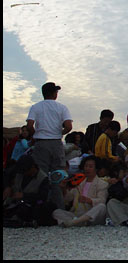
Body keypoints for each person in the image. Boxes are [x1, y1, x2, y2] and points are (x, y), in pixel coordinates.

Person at [26, 82, 72, 210]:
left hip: (41, 143)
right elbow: (68, 126)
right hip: (56, 143)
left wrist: (35, 135)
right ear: (54, 94)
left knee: (41, 176)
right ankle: (59, 209)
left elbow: (29, 125)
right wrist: (59, 133)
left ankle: (41, 208)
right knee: (58, 177)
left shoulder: (35, 107)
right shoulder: (62, 107)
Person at [52, 155, 108, 227]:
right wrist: (64, 188)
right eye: (86, 166)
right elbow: (68, 198)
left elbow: (102, 200)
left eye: (90, 167)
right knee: (56, 212)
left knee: (102, 207)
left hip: (92, 215)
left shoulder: (102, 183)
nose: (87, 169)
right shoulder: (79, 182)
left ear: (96, 169)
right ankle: (77, 222)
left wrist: (88, 200)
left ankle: (74, 222)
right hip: (77, 214)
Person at [3, 155, 57, 227]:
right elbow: (6, 174)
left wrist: (24, 196)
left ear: (32, 167)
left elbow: (42, 197)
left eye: (25, 171)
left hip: (31, 205)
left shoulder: (43, 179)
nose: (23, 173)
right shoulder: (19, 171)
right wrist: (7, 186)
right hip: (13, 203)